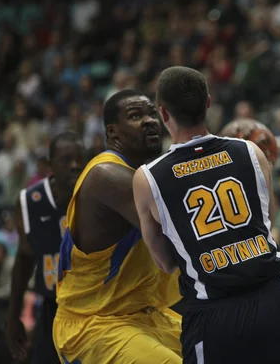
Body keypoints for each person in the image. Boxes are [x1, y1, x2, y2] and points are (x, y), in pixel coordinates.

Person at [133, 66, 280, 364]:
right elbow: (267, 218)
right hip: (273, 301)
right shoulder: (252, 153)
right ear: (208, 103)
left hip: (214, 315)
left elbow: (166, 263)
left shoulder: (148, 178)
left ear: (163, 113)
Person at [53, 90, 183, 363]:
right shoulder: (106, 175)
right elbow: (182, 238)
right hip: (95, 324)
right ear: (113, 133)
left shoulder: (146, 174)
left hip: (144, 315)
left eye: (152, 114)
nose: (149, 121)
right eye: (136, 116)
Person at [5, 132, 87, 364]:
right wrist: (12, 316)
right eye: (66, 160)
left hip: (93, 307)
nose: (75, 165)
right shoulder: (29, 201)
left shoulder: (95, 192)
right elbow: (23, 260)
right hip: (54, 308)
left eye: (80, 159)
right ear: (50, 165)